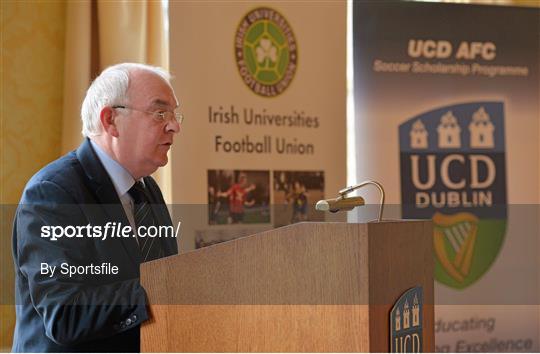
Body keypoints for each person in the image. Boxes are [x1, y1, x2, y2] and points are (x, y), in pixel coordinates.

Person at [11, 63, 180, 352]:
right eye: (160, 112)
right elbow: (65, 315)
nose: (174, 125)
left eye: (175, 115)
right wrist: (162, 291)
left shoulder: (147, 189)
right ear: (110, 120)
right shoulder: (52, 193)